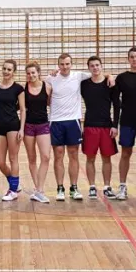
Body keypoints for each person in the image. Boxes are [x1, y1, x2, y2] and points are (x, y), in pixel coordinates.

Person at [46, 53, 92, 201]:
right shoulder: (50, 78)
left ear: (71, 64)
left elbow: (97, 73)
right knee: (58, 155)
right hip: (56, 121)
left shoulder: (78, 76)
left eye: (67, 64)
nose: (65, 67)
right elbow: (46, 99)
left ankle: (74, 188)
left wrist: (110, 76)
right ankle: (60, 188)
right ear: (58, 65)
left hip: (73, 121)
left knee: (73, 155)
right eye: (62, 64)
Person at [113, 47, 136, 201]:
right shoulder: (121, 78)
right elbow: (115, 101)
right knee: (126, 153)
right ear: (128, 59)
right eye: (132, 57)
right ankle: (122, 186)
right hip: (127, 120)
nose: (134, 59)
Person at [81, 55, 116, 200]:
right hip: (90, 125)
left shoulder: (110, 84)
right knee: (90, 158)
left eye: (97, 65)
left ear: (101, 66)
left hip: (106, 126)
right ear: (89, 68)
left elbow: (117, 105)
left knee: (106, 158)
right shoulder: (84, 84)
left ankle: (107, 187)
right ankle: (92, 187)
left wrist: (115, 125)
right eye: (92, 66)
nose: (95, 68)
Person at [0, 59, 25, 202]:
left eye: (9, 69)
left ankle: (13, 190)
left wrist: (21, 129)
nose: (6, 71)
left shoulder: (18, 88)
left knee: (13, 158)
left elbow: (23, 109)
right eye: (4, 68)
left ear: (14, 72)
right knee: (0, 162)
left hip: (13, 126)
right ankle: (14, 182)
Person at [23, 62, 52, 203]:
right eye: (28, 73)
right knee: (32, 158)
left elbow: (50, 103)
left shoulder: (47, 87)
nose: (31, 75)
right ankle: (38, 189)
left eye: (33, 72)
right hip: (28, 126)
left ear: (38, 72)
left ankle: (39, 189)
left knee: (46, 157)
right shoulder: (24, 88)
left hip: (43, 125)